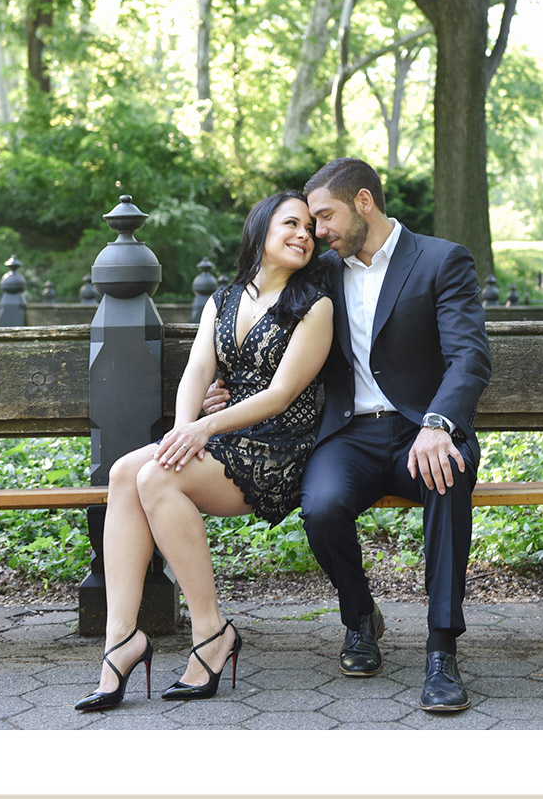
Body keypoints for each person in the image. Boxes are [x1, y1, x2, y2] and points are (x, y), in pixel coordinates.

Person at [207, 157, 491, 712]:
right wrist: (222, 390)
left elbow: (470, 358)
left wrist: (438, 424)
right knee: (322, 506)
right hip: (349, 434)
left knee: (447, 478)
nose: (317, 231)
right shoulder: (322, 274)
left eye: (325, 216)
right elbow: (266, 330)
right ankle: (359, 616)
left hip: (423, 427)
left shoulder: (440, 260)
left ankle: (441, 652)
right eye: (309, 222)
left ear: (364, 201)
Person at [75, 191, 332, 712]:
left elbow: (280, 395)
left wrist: (199, 431)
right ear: (261, 229)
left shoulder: (315, 306)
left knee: (156, 478)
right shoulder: (225, 298)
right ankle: (121, 641)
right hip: (223, 437)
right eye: (291, 223)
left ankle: (212, 632)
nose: (304, 234)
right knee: (127, 472)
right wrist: (184, 429)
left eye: (309, 228)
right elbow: (198, 370)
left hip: (279, 449)